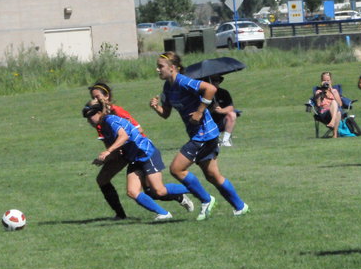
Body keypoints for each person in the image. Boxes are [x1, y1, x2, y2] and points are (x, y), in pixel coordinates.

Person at [150, 52, 249, 220]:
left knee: (176, 169)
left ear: (172, 68)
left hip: (204, 134)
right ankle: (241, 206)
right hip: (199, 134)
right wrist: (155, 107)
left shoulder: (183, 81)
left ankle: (206, 200)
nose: (157, 69)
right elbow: (166, 113)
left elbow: (210, 89)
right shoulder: (168, 87)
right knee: (212, 176)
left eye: (161, 66)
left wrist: (199, 111)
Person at [87, 82, 193, 219]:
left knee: (154, 190)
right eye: (92, 97)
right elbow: (109, 142)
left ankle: (192, 192)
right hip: (124, 152)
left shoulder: (116, 112)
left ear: (106, 96)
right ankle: (121, 215)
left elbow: (137, 130)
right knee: (113, 183)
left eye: (96, 96)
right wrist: (107, 155)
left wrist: (118, 147)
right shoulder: (98, 117)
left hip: (139, 151)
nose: (94, 100)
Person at [207, 75, 237, 147]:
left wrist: (221, 110)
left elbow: (230, 107)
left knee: (232, 115)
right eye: (213, 81)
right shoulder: (204, 93)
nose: (215, 83)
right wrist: (212, 109)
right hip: (208, 121)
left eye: (217, 81)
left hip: (222, 120)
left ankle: (225, 140)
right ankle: (213, 140)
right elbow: (200, 111)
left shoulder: (224, 92)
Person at [313, 71, 342, 138]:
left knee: (334, 103)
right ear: (321, 81)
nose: (326, 82)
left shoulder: (334, 91)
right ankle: (335, 133)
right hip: (324, 113)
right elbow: (318, 104)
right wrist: (322, 92)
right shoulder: (318, 92)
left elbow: (340, 104)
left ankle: (332, 123)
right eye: (324, 80)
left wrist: (331, 90)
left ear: (331, 81)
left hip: (335, 111)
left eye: (328, 80)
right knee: (338, 112)